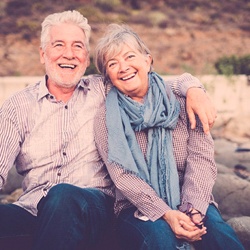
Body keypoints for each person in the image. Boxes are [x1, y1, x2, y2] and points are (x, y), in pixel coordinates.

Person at [0, 10, 216, 250]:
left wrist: (193, 88)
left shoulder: (103, 89)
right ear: (43, 54)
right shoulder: (17, 105)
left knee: (63, 196)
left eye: (78, 46)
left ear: (86, 56)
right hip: (33, 209)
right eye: (58, 44)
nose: (69, 54)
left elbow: (147, 80)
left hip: (93, 208)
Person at [94, 24, 244, 250]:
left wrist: (193, 208)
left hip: (192, 197)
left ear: (148, 60)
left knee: (222, 239)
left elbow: (202, 159)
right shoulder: (107, 116)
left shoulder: (183, 100)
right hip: (136, 207)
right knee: (160, 241)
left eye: (129, 56)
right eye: (112, 64)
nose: (123, 67)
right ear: (108, 76)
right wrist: (165, 213)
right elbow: (122, 176)